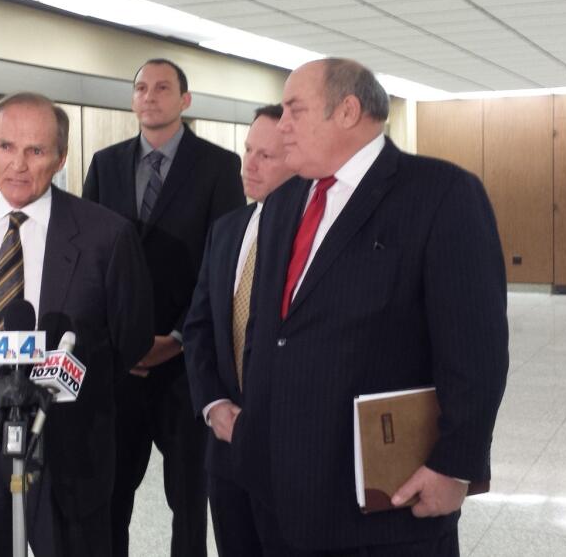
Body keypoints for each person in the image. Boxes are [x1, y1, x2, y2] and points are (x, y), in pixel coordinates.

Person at [232, 59, 509, 556]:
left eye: (294, 110)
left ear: (348, 110)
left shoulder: (440, 194)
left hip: (382, 507)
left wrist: (455, 465)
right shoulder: (282, 203)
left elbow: (477, 351)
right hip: (276, 494)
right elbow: (266, 332)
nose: (282, 125)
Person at [0, 92, 153, 557]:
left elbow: (130, 339)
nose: (18, 165)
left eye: (36, 150)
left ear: (61, 157)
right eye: (7, 147)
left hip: (68, 443)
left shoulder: (106, 235)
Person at [83, 58, 245, 557]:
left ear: (184, 100)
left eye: (162, 87)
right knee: (111, 496)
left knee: (190, 501)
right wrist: (118, 340)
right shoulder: (105, 165)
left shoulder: (219, 167)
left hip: (186, 365)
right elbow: (87, 258)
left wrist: (176, 338)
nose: (149, 96)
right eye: (140, 88)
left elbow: (224, 264)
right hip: (119, 367)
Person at [182, 104, 296, 557]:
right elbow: (199, 327)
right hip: (227, 447)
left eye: (266, 156)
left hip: (289, 449)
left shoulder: (313, 242)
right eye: (248, 150)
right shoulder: (228, 229)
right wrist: (212, 404)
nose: (248, 164)